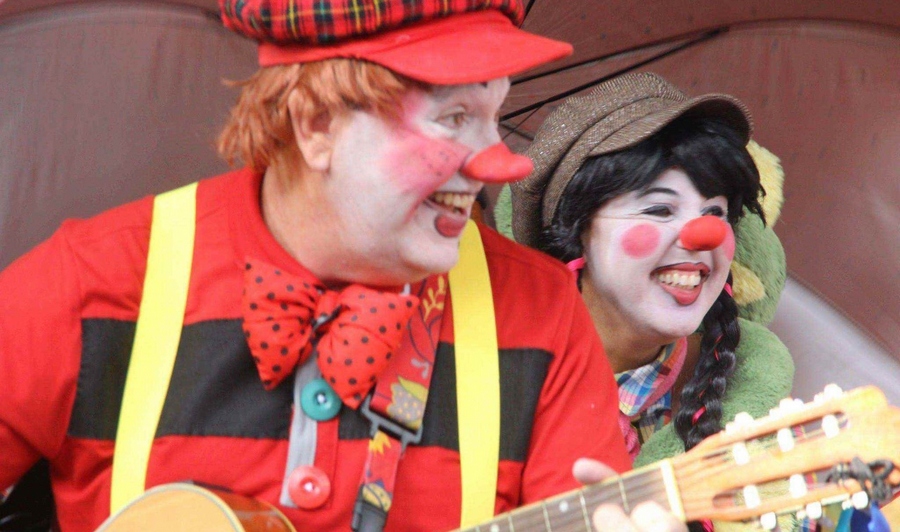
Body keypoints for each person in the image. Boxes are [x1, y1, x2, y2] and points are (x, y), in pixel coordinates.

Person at [0, 3, 687, 531]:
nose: (499, 163)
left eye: (495, 114)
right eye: (454, 118)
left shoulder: (540, 310)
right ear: (316, 125)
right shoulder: (90, 280)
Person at [510, 72, 795, 528]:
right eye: (660, 209)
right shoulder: (490, 364)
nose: (701, 236)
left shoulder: (745, 403)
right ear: (578, 228)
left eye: (715, 212)